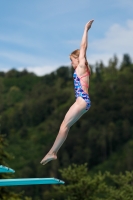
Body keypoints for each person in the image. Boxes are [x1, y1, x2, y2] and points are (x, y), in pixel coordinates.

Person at [40, 19, 94, 165]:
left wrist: (85, 30)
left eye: (72, 60)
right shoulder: (82, 69)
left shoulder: (81, 66)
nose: (71, 63)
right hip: (85, 102)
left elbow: (83, 47)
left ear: (78, 59)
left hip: (81, 100)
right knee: (66, 126)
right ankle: (53, 152)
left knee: (63, 126)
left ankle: (53, 152)